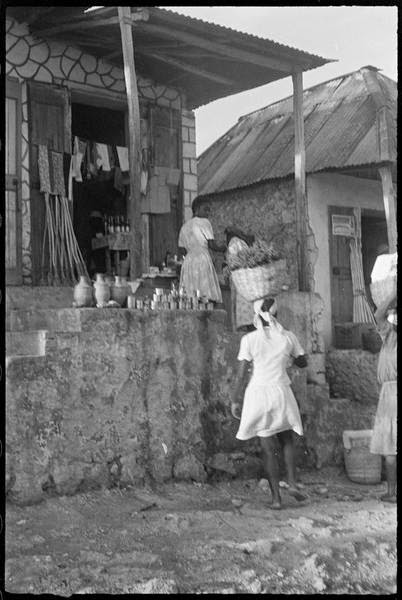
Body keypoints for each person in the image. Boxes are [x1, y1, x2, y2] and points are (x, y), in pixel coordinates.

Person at [231, 297, 308, 509]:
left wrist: (234, 399)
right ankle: (292, 482)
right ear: (277, 315)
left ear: (256, 316)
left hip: (258, 394)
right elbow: (303, 362)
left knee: (267, 447)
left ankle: (276, 499)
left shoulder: (249, 339)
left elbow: (240, 375)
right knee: (287, 439)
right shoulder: (288, 337)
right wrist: (292, 358)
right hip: (281, 391)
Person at [369, 281, 397, 503]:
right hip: (390, 392)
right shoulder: (390, 335)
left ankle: (392, 492)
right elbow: (380, 315)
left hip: (392, 395)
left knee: (390, 445)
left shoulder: (390, 336)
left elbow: (379, 314)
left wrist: (393, 292)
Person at [178, 199, 225, 302]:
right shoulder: (204, 222)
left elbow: (182, 249)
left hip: (189, 262)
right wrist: (224, 248)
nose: (208, 213)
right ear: (197, 209)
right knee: (206, 295)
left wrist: (192, 251)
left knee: (190, 296)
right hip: (202, 259)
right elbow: (212, 245)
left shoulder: (184, 226)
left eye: (209, 211)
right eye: (206, 210)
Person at [224, 226, 255, 331]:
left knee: (243, 309)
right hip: (247, 280)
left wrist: (227, 270)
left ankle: (244, 328)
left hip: (240, 279)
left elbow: (233, 262)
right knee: (249, 309)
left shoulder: (233, 243)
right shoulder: (243, 244)